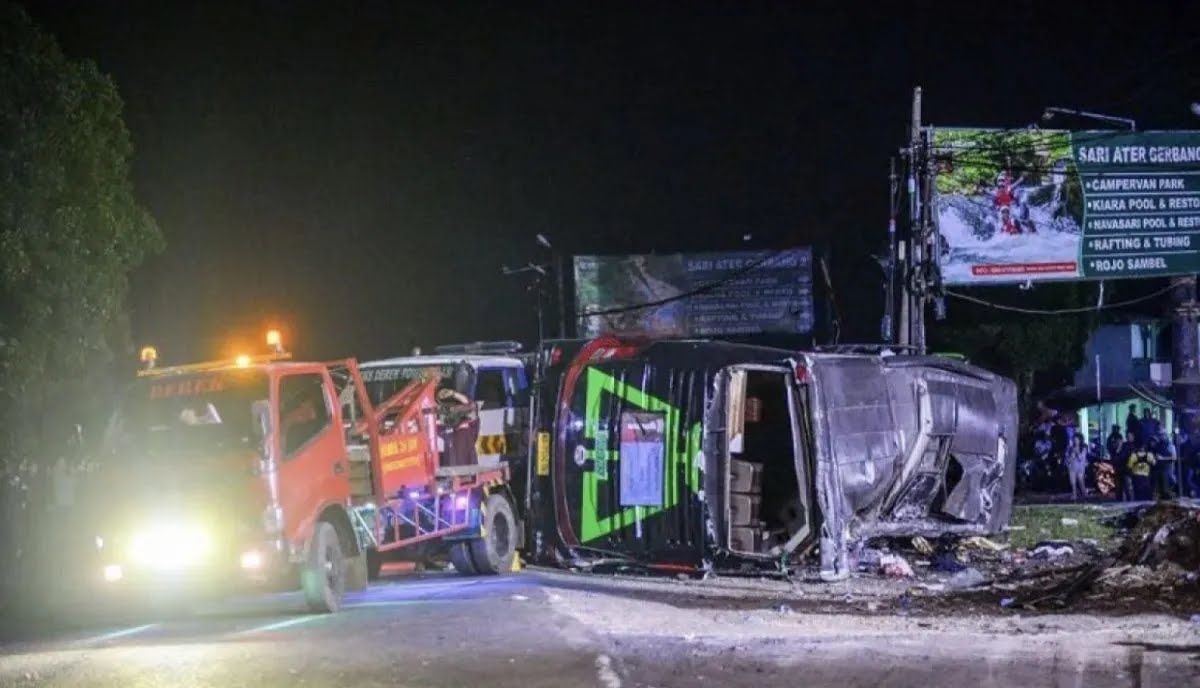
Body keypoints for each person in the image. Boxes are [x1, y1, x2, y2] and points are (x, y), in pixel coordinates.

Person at [1066, 435, 1089, 501]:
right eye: (1074, 439)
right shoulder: (1070, 448)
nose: (1075, 441)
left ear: (1080, 440)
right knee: (1073, 482)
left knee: (1081, 482)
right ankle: (1074, 495)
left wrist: (1077, 452)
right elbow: (1067, 458)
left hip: (1080, 468)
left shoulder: (1083, 448)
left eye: (1077, 439)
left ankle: (1084, 494)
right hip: (1072, 467)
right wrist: (1069, 459)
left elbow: (1081, 458)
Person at [1116, 431, 1138, 501]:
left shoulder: (1134, 446)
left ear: (1133, 437)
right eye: (1127, 436)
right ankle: (1122, 500)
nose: (1128, 438)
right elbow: (1118, 456)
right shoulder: (1124, 445)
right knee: (1121, 487)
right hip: (1122, 468)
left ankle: (1130, 501)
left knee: (1128, 487)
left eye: (1130, 436)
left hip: (1130, 469)